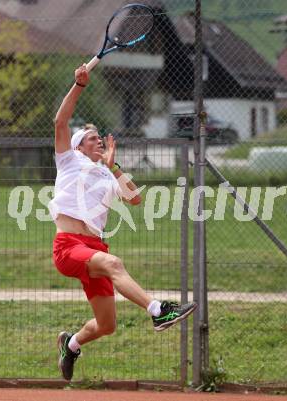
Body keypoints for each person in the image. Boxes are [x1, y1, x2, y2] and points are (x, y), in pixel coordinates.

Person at [49, 64, 197, 382]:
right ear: (77, 147)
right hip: (68, 246)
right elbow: (60, 120)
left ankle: (70, 345)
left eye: (99, 138)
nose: (99, 141)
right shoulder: (68, 160)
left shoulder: (106, 173)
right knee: (114, 263)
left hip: (93, 246)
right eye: (91, 139)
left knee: (107, 325)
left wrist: (114, 167)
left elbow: (134, 199)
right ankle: (158, 311)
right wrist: (79, 85)